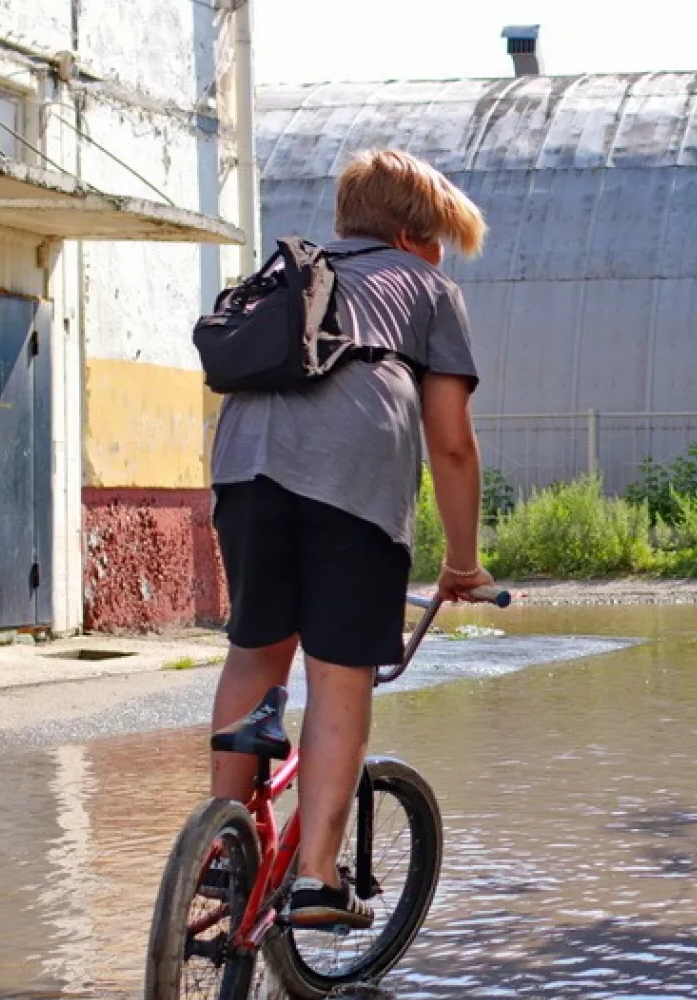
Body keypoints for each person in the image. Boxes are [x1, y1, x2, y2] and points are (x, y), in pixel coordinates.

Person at [206, 148, 492, 929]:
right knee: (339, 679)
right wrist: (461, 564)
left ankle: (217, 850)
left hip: (241, 473)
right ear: (410, 236)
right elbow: (453, 444)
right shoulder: (428, 290)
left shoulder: (290, 275)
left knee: (258, 651)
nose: (441, 259)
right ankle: (318, 880)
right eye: (438, 242)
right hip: (346, 490)